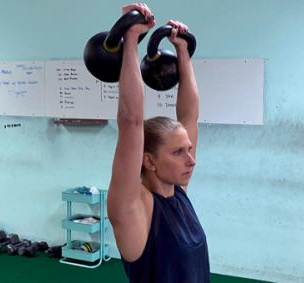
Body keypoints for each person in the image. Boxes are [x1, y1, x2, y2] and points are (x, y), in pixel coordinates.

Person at [107, 3, 210, 283]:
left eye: (188, 149)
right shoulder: (133, 210)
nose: (191, 159)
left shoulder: (178, 191)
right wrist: (130, 39)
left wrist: (182, 52)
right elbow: (131, 122)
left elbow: (190, 115)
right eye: (179, 152)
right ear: (149, 160)